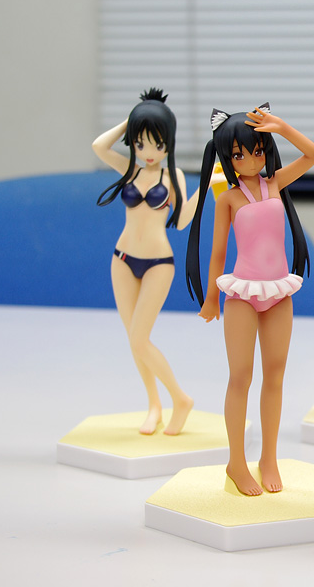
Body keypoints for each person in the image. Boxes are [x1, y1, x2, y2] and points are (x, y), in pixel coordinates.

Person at [186, 105, 314, 496]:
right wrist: (211, 298)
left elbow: (313, 154)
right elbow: (217, 252)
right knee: (240, 376)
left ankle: (269, 457)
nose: (249, 160)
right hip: (242, 294)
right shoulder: (227, 198)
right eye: (238, 154)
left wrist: (281, 127)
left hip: (278, 291)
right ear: (227, 158)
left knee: (275, 375)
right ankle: (236, 462)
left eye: (257, 150)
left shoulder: (276, 182)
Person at [92, 87, 197, 435]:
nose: (149, 154)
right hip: (122, 259)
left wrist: (205, 191)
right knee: (133, 339)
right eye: (141, 144)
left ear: (169, 143)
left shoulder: (173, 177)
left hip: (158, 264)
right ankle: (154, 404)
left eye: (158, 144)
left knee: (140, 339)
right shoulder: (129, 170)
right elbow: (99, 147)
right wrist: (134, 119)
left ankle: (180, 398)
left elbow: (180, 222)